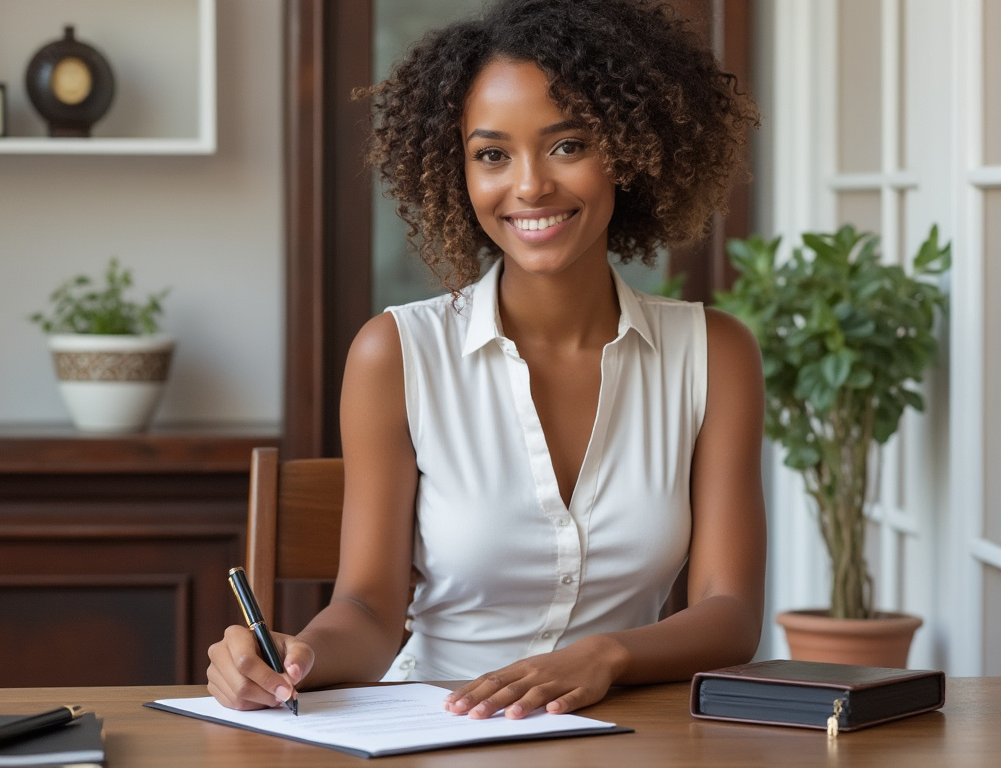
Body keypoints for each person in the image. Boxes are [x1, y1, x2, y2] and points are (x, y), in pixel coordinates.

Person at [207, 0, 766, 720]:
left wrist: (608, 655)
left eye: (568, 145)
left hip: (626, 732)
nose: (529, 185)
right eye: (492, 154)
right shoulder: (395, 353)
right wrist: (296, 658)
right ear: (457, 171)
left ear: (629, 151)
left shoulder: (714, 355)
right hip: (436, 729)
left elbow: (731, 611)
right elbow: (369, 610)